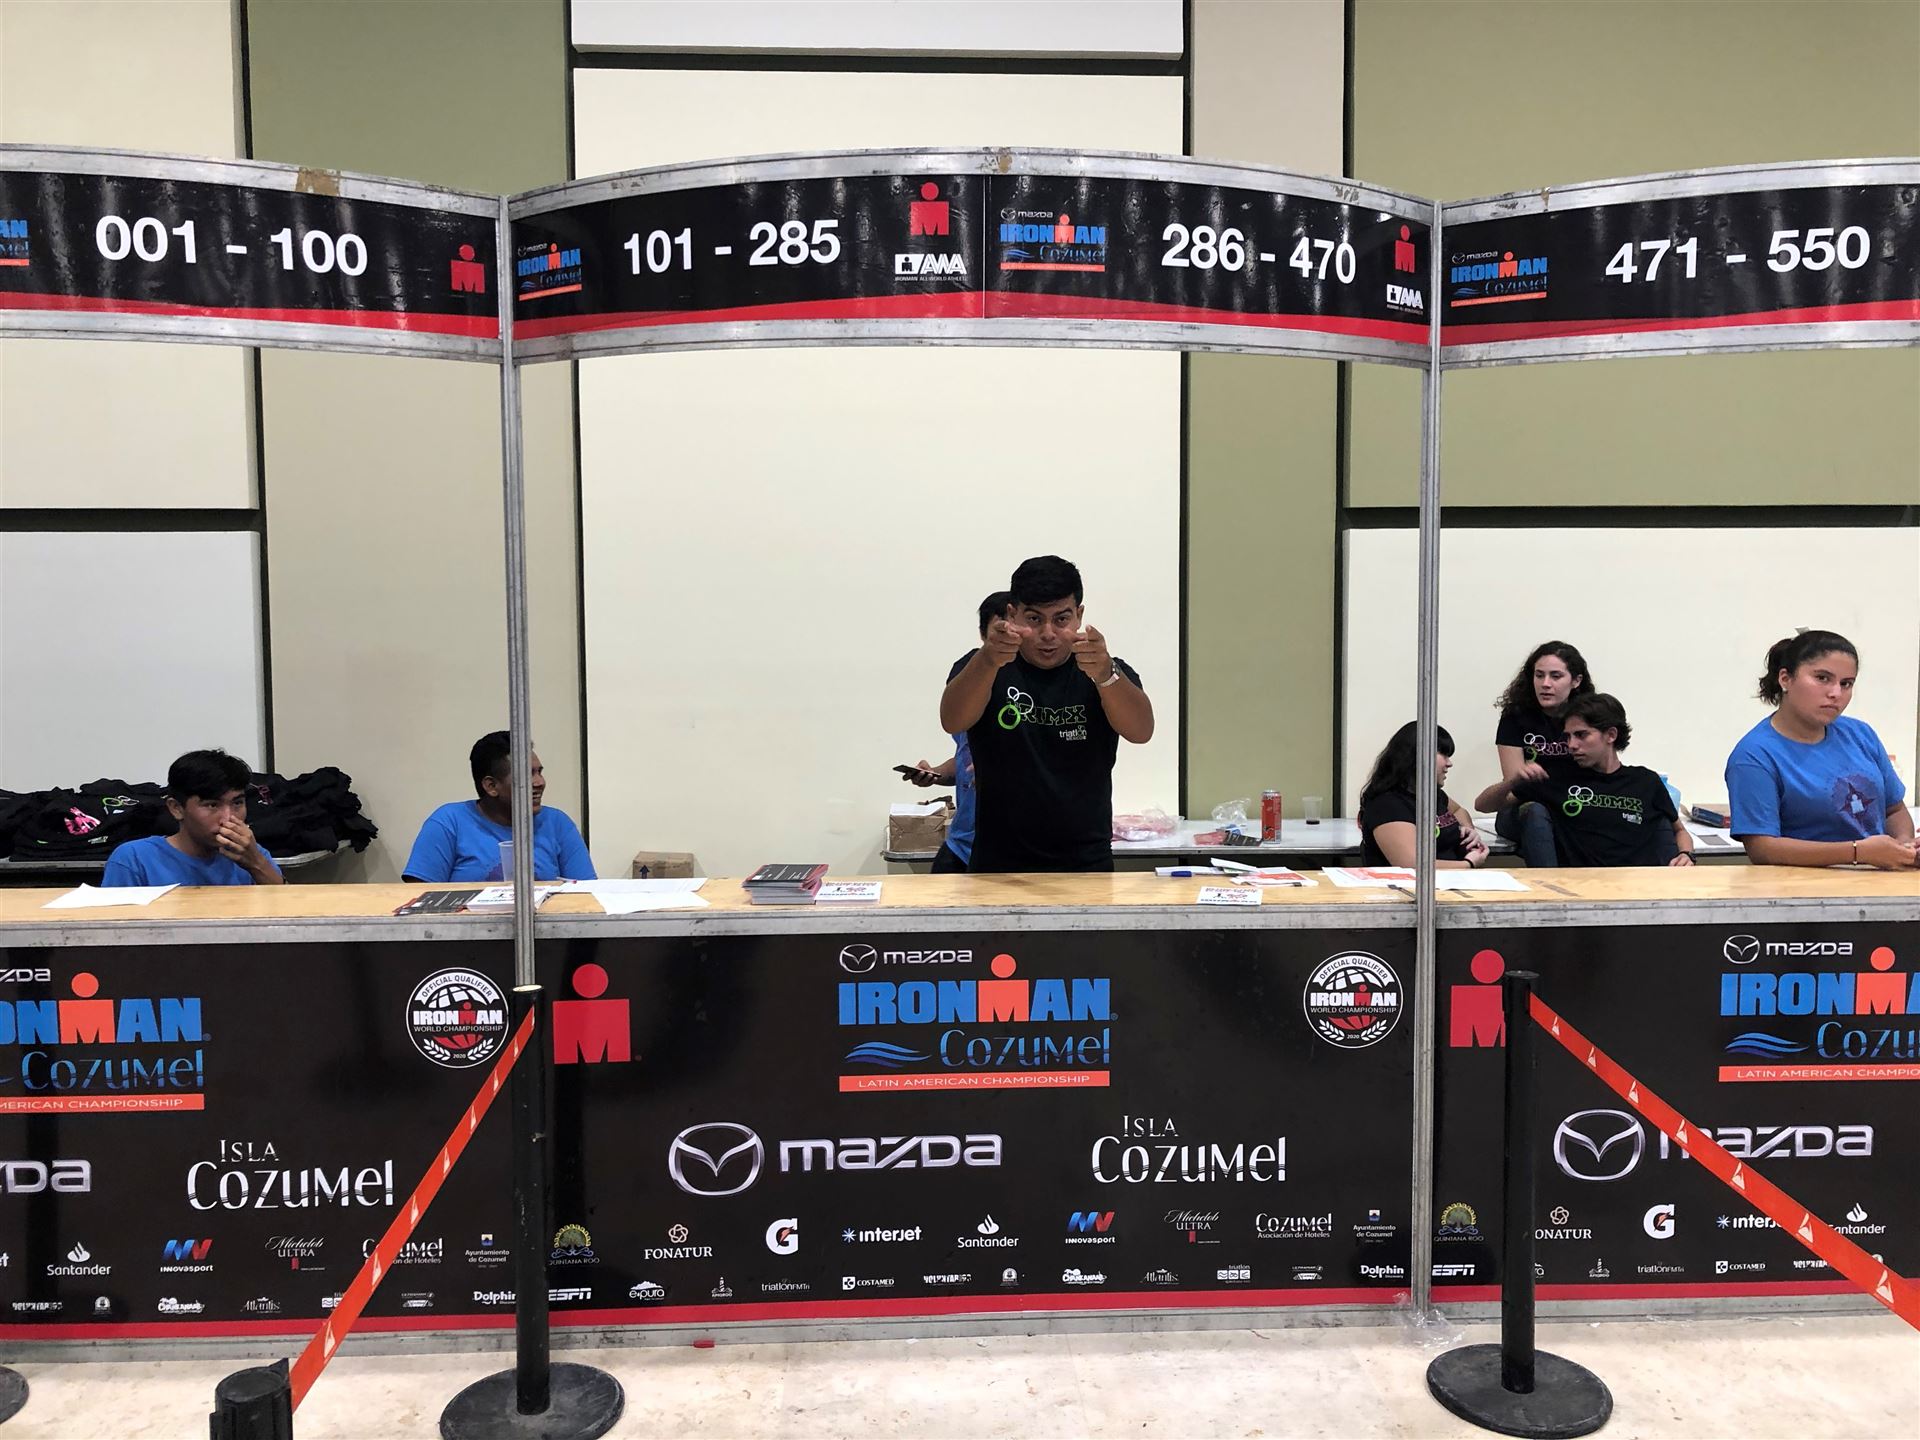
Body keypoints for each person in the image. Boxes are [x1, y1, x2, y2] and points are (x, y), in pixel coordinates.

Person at [938, 556, 1153, 872]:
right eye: (1034, 619)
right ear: (1013, 614)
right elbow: (952, 720)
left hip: (1086, 864)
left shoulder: (1103, 669)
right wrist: (987, 660)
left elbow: (1141, 731)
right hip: (997, 866)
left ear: (1079, 616)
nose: (1048, 633)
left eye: (1061, 619)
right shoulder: (984, 665)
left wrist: (1106, 674)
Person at [1726, 631, 1915, 869]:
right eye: (1822, 678)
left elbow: (1894, 810)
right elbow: (1763, 849)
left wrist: (1905, 846)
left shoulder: (1860, 734)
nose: (1836, 693)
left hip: (1877, 882)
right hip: (1802, 886)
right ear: (1785, 679)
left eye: (1846, 684)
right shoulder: (1754, 755)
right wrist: (1857, 852)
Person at [1475, 694, 1692, 867]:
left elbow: (1679, 831)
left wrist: (1686, 854)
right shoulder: (1557, 777)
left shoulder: (1646, 781)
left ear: (1611, 735)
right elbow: (1482, 805)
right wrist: (1512, 781)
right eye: (1568, 736)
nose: (1571, 745)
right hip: (1582, 890)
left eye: (1581, 735)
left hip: (1636, 890)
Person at [903, 591, 1013, 874]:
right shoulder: (968, 671)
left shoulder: (1032, 688)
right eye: (999, 631)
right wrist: (936, 774)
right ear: (983, 634)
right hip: (962, 844)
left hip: (1012, 850)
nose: (1007, 639)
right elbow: (965, 755)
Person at [403, 732, 596, 883]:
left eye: (539, 772)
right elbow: (418, 901)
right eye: (527, 775)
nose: (539, 782)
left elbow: (588, 896)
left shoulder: (557, 823)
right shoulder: (448, 822)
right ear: (491, 786)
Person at [101, 749, 284, 887]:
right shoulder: (134, 859)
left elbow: (288, 915)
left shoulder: (250, 854)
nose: (228, 818)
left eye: (237, 803)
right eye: (212, 805)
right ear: (176, 808)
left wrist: (257, 865)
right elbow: (112, 925)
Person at [1491, 641, 1595, 867]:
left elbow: (1598, 771)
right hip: (1525, 805)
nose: (1545, 684)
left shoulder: (1588, 717)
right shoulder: (1515, 717)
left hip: (1572, 801)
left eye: (1556, 676)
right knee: (1537, 813)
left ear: (1576, 681)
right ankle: (1549, 885)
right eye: (1539, 675)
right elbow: (1515, 783)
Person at [1357, 721, 1490, 869]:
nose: (1449, 763)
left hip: (1452, 878)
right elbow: (1410, 864)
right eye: (1444, 755)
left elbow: (1459, 811)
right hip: (1416, 883)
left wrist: (1469, 831)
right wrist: (1468, 864)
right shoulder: (1388, 805)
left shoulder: (1433, 795)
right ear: (1418, 756)